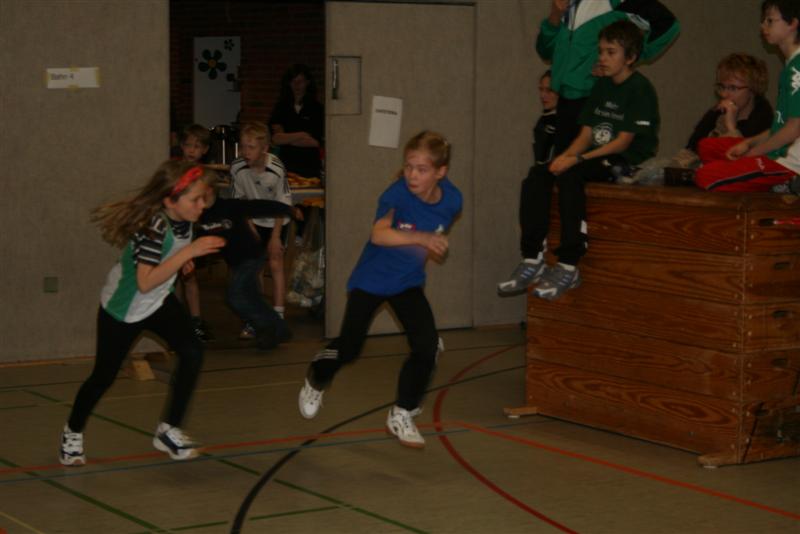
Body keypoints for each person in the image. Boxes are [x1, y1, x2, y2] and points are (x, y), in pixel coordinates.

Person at [297, 131, 462, 449]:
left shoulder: (453, 200)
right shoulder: (397, 194)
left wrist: (433, 242)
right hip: (371, 281)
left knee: (427, 346)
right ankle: (317, 377)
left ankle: (402, 412)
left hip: (407, 283)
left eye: (422, 169)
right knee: (349, 349)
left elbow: (436, 228)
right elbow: (379, 235)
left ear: (440, 172)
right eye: (409, 166)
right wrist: (422, 238)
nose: (412, 175)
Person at [59, 161, 225, 466]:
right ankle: (73, 431)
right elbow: (145, 282)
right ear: (170, 201)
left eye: (204, 198)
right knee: (103, 377)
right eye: (195, 199)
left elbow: (166, 261)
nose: (202, 205)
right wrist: (188, 253)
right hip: (124, 308)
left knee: (192, 352)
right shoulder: (154, 227)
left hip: (158, 301)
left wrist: (182, 259)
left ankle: (168, 429)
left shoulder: (184, 219)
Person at [498, 19, 659, 300]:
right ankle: (532, 257)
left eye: (611, 52)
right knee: (539, 174)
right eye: (601, 51)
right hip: (594, 153)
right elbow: (586, 134)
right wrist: (565, 157)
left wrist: (577, 160)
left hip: (624, 158)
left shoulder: (639, 88)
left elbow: (622, 142)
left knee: (572, 176)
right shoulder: (601, 86)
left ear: (631, 57)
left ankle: (569, 263)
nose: (602, 58)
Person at [536, 0, 678, 155]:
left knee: (587, 162)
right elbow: (546, 51)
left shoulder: (615, 2)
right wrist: (555, 15)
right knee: (562, 162)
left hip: (597, 96)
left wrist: (625, 59)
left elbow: (668, 25)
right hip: (565, 98)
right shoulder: (569, 3)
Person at [694, 0, 800, 192]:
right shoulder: (790, 65)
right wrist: (748, 143)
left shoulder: (797, 68)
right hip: (778, 152)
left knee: (705, 176)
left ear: (792, 23)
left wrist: (753, 153)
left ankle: (783, 184)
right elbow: (780, 126)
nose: (763, 26)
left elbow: (794, 128)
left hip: (789, 163)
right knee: (708, 147)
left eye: (770, 20)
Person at [198, 183, 296, 350]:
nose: (199, 200)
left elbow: (259, 206)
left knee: (235, 296)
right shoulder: (200, 215)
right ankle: (279, 330)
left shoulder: (230, 206)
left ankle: (266, 327)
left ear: (211, 190)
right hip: (236, 262)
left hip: (252, 255)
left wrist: (287, 209)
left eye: (202, 194)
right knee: (253, 298)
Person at [230, 122, 293, 338]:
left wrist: (275, 237)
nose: (245, 152)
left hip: (276, 218)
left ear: (264, 148)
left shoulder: (276, 169)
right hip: (252, 219)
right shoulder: (237, 168)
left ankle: (278, 317)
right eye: (243, 146)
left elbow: (282, 205)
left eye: (251, 147)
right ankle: (256, 318)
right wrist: (250, 229)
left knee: (275, 262)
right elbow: (240, 202)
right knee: (252, 267)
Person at [674, 54, 773, 169]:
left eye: (733, 88)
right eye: (722, 87)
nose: (724, 94)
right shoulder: (715, 113)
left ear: (753, 89)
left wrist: (731, 127)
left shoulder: (764, 120)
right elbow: (690, 150)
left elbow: (742, 162)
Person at [177, 124, 215, 342]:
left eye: (197, 146)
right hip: (174, 230)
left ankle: (196, 321)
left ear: (204, 150)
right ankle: (175, 320)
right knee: (170, 277)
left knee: (190, 277)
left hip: (191, 230)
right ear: (181, 146)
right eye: (188, 145)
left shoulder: (204, 175)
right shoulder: (174, 170)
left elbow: (208, 203)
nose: (191, 150)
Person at [268, 64, 324, 179]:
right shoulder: (281, 107)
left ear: (307, 82)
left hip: (310, 167)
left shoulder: (317, 109)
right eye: (293, 81)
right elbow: (276, 139)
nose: (296, 85)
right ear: (288, 83)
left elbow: (315, 142)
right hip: (286, 165)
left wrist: (287, 138)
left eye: (300, 81)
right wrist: (303, 134)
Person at [533, 70, 559, 166]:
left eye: (549, 90)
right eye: (541, 89)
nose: (542, 95)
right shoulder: (543, 120)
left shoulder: (565, 122)